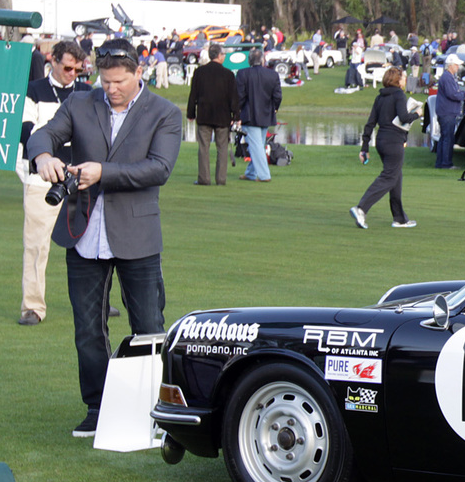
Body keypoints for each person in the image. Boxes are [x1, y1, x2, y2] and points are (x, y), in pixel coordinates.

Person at [24, 40, 182, 436]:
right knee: (87, 330)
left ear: (138, 73)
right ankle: (97, 407)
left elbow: (158, 169)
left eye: (119, 82)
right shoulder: (80, 103)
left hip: (138, 235)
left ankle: (158, 408)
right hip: (81, 234)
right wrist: (42, 156)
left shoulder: (165, 113)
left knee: (148, 326)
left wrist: (102, 173)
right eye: (105, 81)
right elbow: (43, 134)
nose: (111, 88)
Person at [17, 40, 92, 326]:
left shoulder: (86, 92)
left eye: (78, 69)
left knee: (93, 244)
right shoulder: (34, 90)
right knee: (36, 245)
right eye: (67, 67)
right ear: (53, 61)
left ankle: (101, 301)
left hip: (81, 178)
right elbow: (26, 131)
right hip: (41, 179)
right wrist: (47, 154)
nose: (72, 73)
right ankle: (33, 307)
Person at [351, 67, 422, 230]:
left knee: (395, 177)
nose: (405, 80)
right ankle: (361, 208)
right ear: (397, 80)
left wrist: (364, 147)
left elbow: (370, 123)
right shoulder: (399, 95)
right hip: (393, 142)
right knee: (389, 177)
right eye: (403, 77)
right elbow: (404, 118)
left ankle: (400, 219)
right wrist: (418, 114)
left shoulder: (379, 97)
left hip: (382, 141)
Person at [186, 43, 239, 186]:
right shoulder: (228, 74)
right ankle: (221, 179)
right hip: (223, 116)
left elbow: (193, 95)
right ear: (220, 56)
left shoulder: (200, 72)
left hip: (204, 115)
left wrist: (191, 113)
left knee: (204, 147)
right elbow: (233, 97)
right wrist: (236, 116)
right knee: (222, 148)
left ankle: (204, 178)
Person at [235, 48, 282, 182]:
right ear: (262, 60)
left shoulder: (243, 73)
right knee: (258, 145)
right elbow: (277, 96)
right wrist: (275, 109)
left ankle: (264, 175)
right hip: (267, 114)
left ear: (249, 60)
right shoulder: (272, 75)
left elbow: (240, 96)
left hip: (250, 115)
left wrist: (237, 114)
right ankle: (250, 173)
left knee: (256, 146)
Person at [433, 55, 465, 169]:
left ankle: (440, 162)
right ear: (451, 65)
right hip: (447, 112)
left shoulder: (448, 77)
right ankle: (446, 163)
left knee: (444, 137)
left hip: (445, 111)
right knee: (448, 138)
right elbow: (452, 94)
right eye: (456, 65)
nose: (458, 67)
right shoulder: (448, 77)